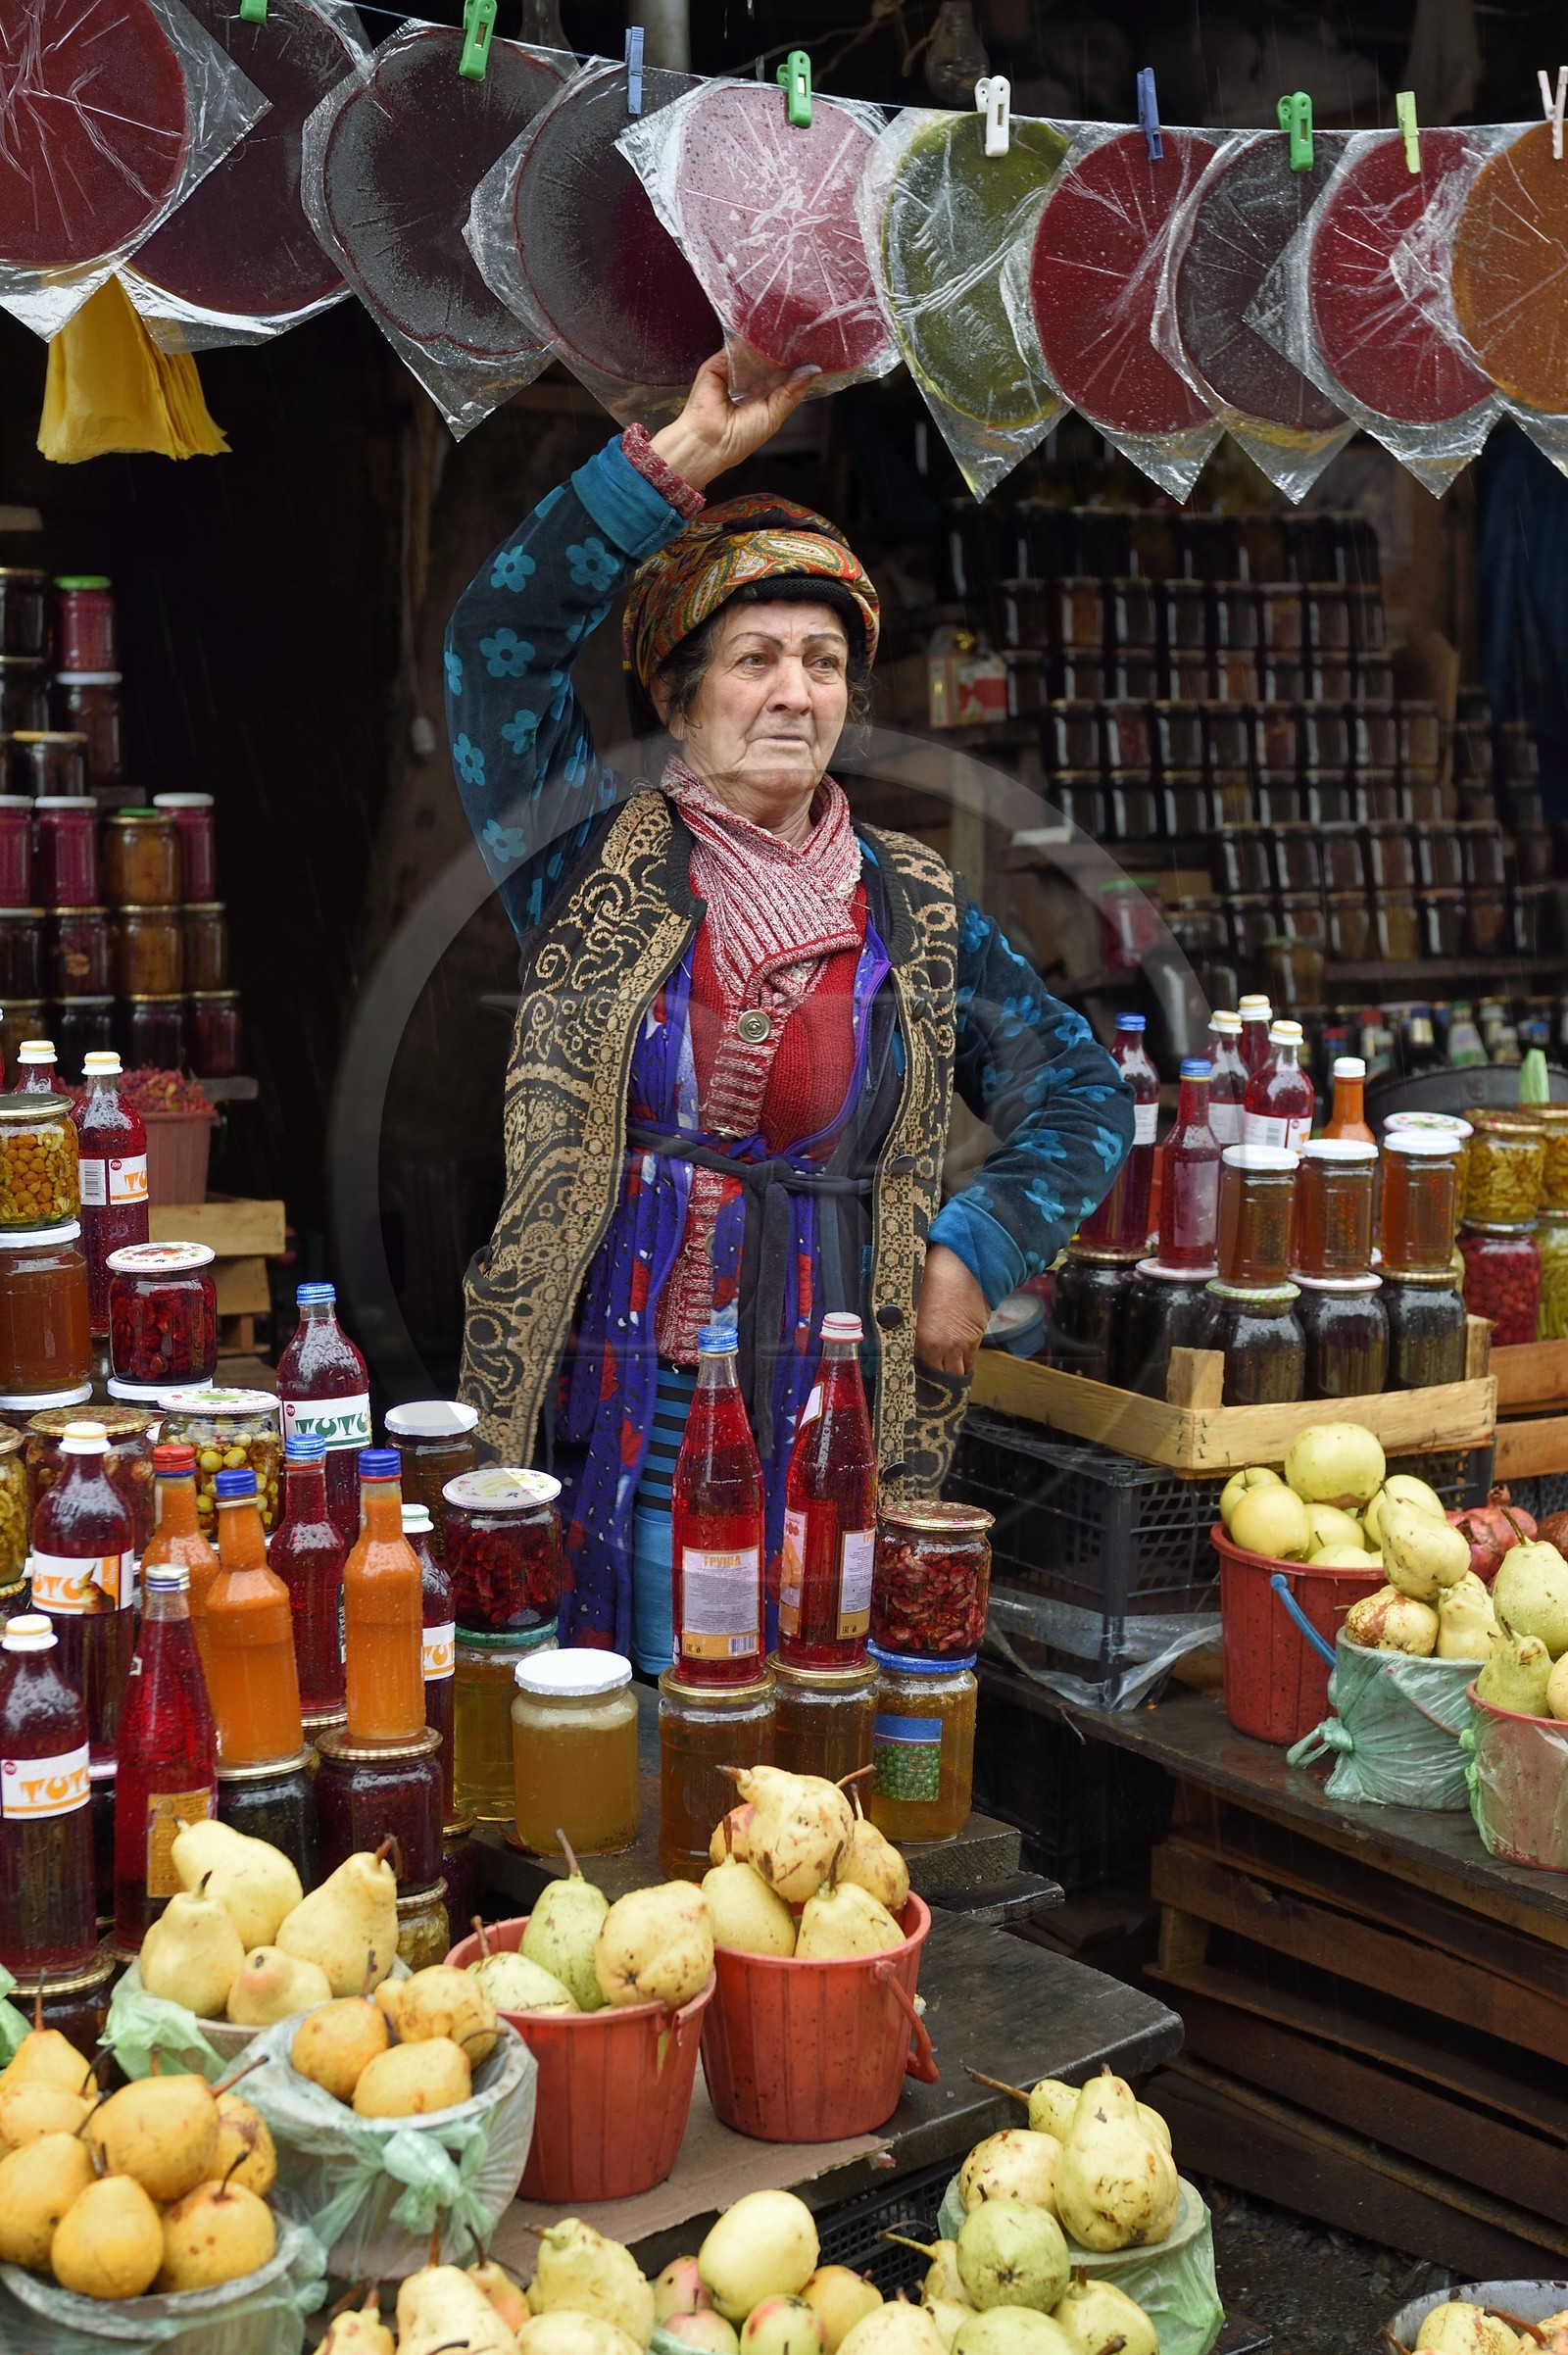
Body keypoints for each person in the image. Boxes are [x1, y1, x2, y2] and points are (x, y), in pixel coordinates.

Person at [446, 354, 1133, 1663]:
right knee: (621, 1697)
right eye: (754, 658)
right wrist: (682, 452)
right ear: (677, 698)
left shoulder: (918, 916)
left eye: (824, 662)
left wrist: (973, 1248)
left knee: (804, 1720)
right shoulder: (591, 871)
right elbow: (496, 643)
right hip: (618, 1396)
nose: (796, 692)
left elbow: (1084, 1093)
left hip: (832, 1411)